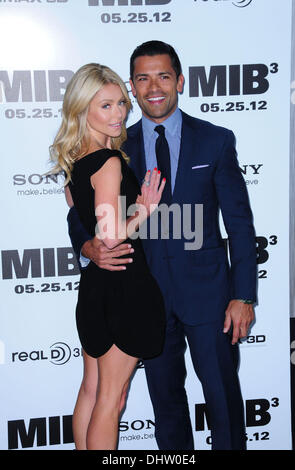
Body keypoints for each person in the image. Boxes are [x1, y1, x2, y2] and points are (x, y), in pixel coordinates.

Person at [66, 41, 257, 450]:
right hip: (145, 298)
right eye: (142, 78)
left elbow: (240, 224)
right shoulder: (117, 144)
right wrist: (88, 247)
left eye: (163, 76)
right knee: (166, 407)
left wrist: (243, 295)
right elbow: (78, 212)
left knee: (223, 402)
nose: (154, 86)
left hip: (209, 298)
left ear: (180, 81)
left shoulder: (216, 140)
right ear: (132, 86)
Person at [50, 63, 166, 450]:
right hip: (124, 287)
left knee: (91, 389)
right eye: (105, 106)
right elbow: (111, 234)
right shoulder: (109, 161)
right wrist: (145, 209)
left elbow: (77, 211)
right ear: (83, 109)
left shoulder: (75, 164)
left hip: (96, 288)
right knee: (110, 399)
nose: (118, 114)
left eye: (121, 103)